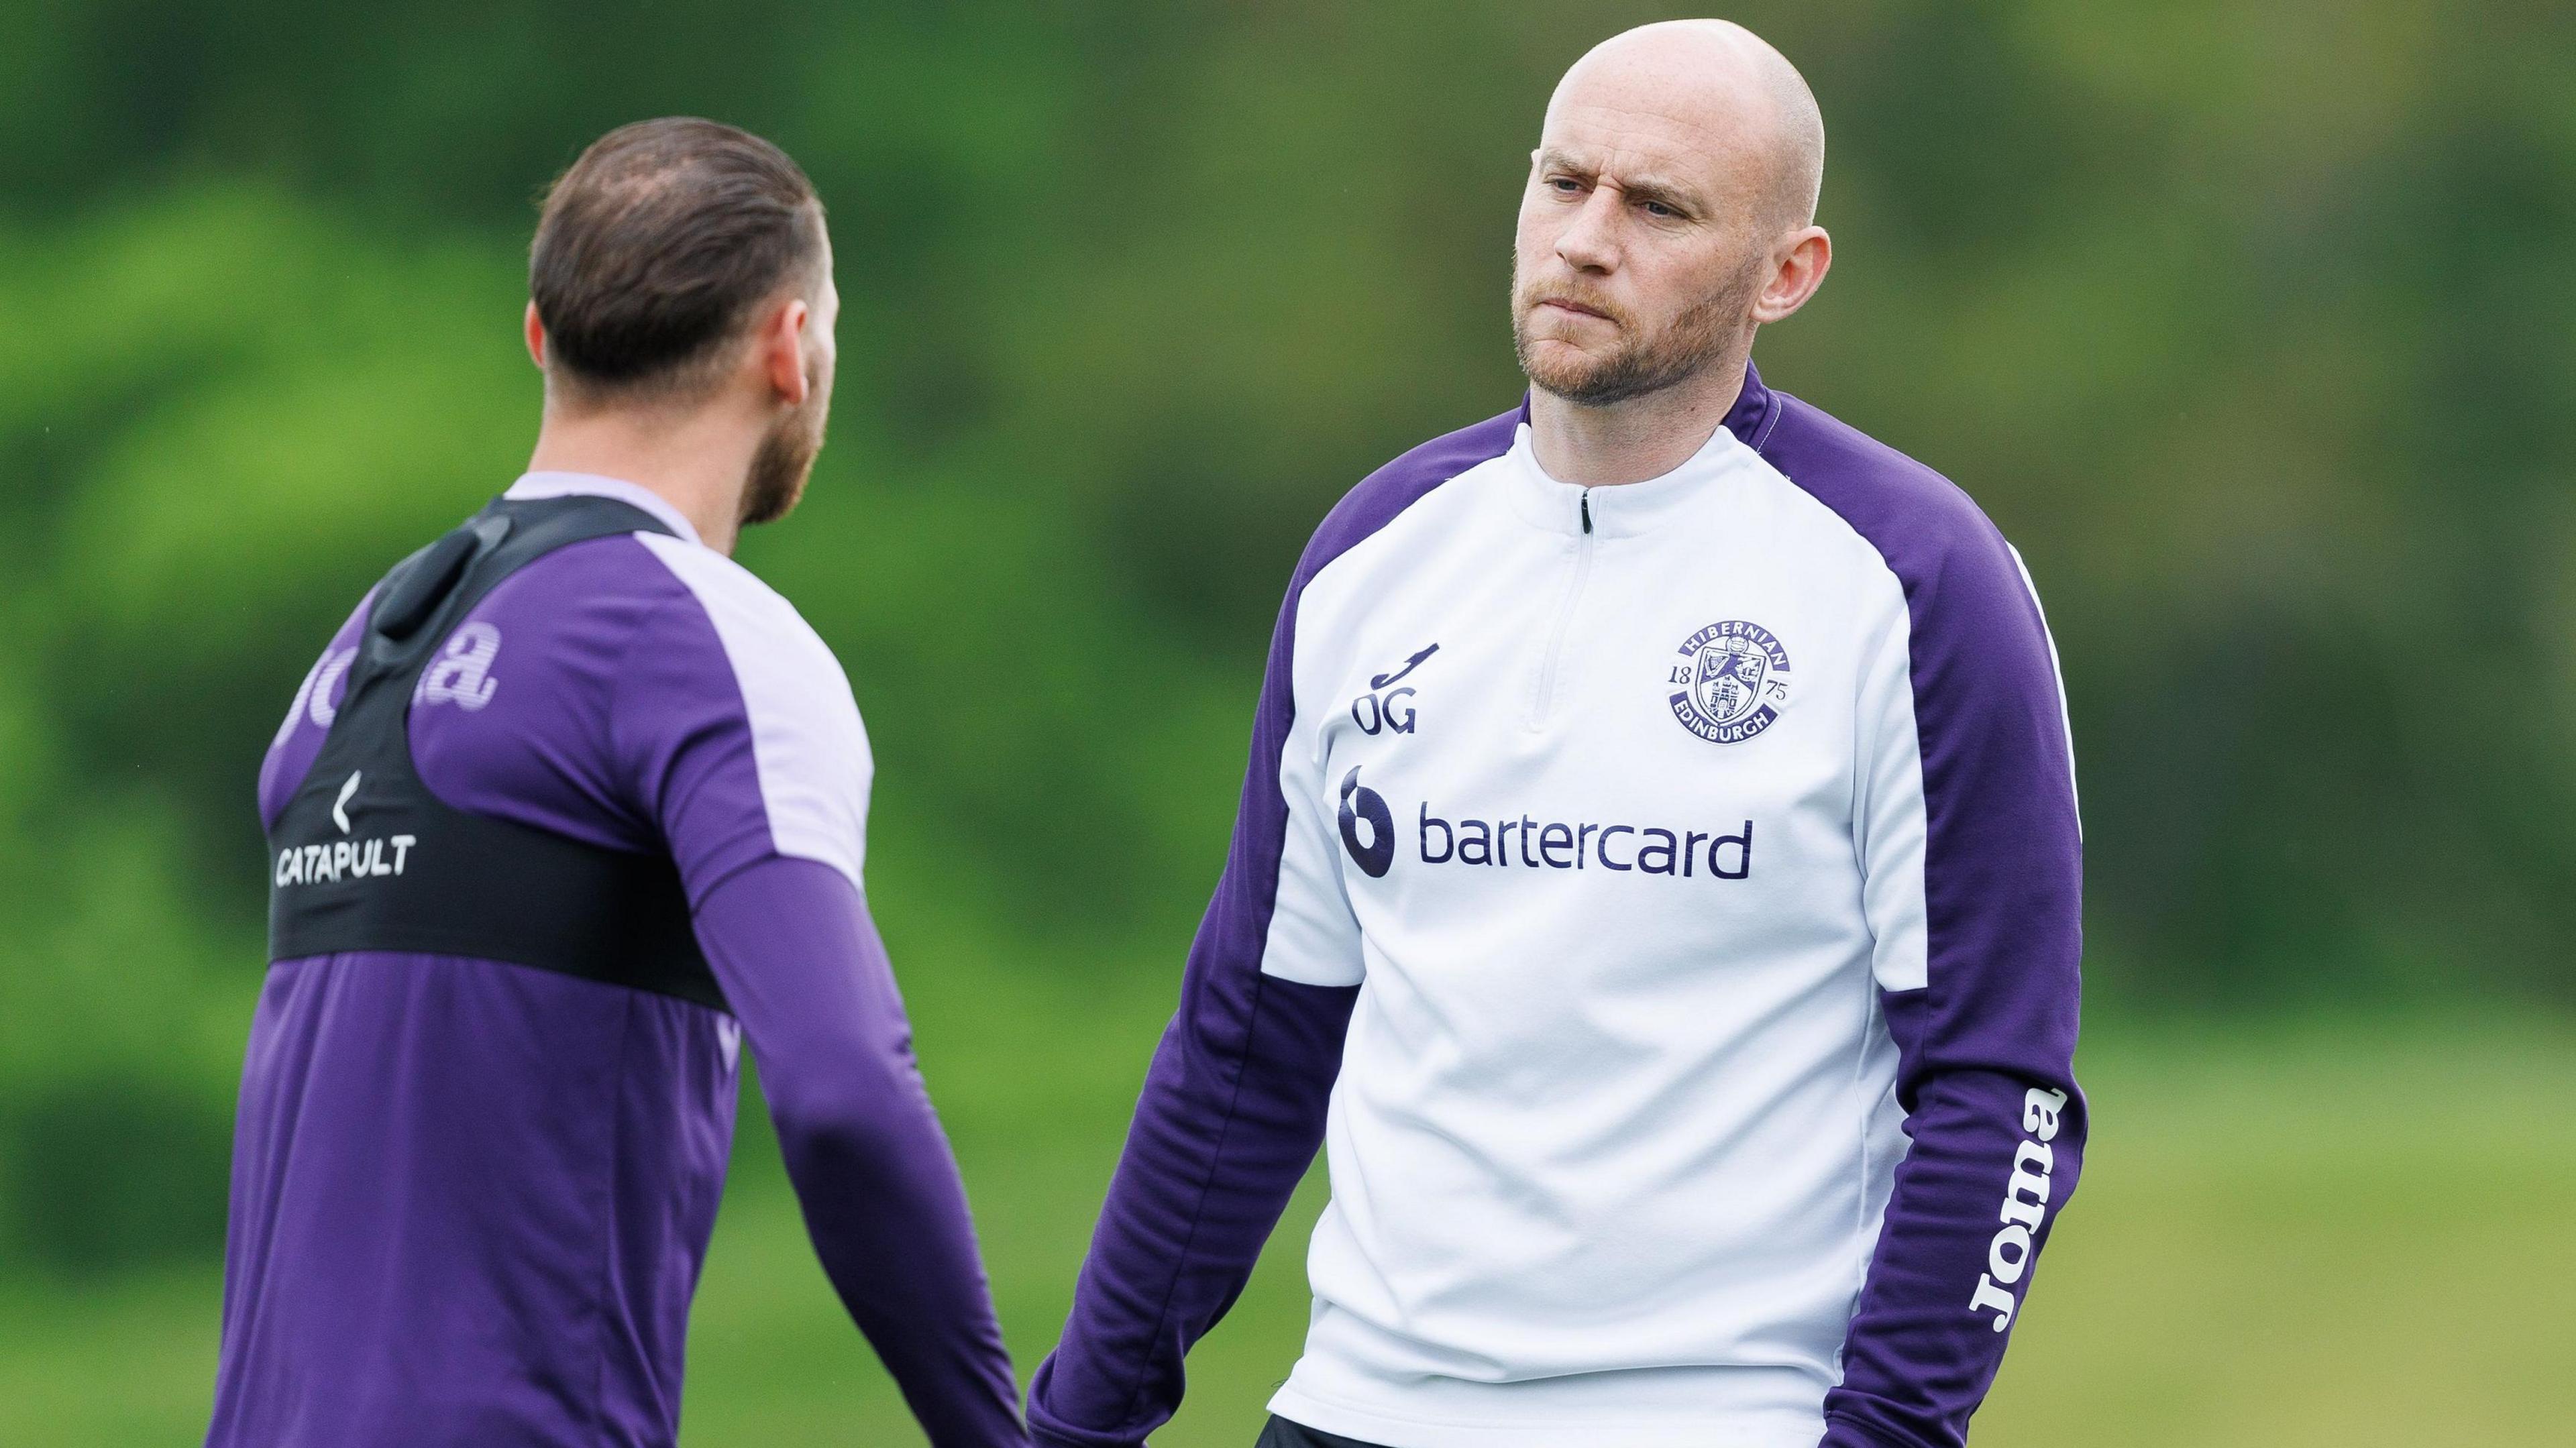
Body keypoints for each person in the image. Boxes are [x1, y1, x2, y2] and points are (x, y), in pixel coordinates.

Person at [1028, 20, 2083, 1448]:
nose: (1589, 239)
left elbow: (1998, 1094)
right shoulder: (1374, 556)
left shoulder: (1917, 581)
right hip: (1355, 1410)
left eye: (1658, 207)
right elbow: (1249, 1040)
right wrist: (1078, 1425)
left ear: (1789, 272)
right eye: (1564, 182)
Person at [209, 119, 1027, 1448]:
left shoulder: (356, 655)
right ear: (790, 345)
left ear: (542, 338)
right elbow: (845, 1098)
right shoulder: (705, 637)